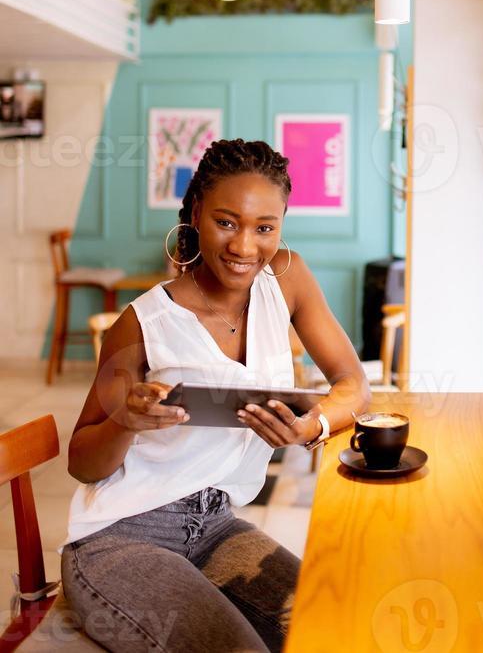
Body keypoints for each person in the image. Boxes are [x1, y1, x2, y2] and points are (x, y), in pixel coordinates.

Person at [62, 138, 371, 652]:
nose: (245, 247)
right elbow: (82, 463)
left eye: (264, 228)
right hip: (119, 539)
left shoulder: (289, 279)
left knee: (331, 630)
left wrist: (309, 426)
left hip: (216, 526)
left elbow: (353, 385)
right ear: (196, 213)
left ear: (282, 225)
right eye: (226, 222)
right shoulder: (144, 322)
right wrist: (126, 423)